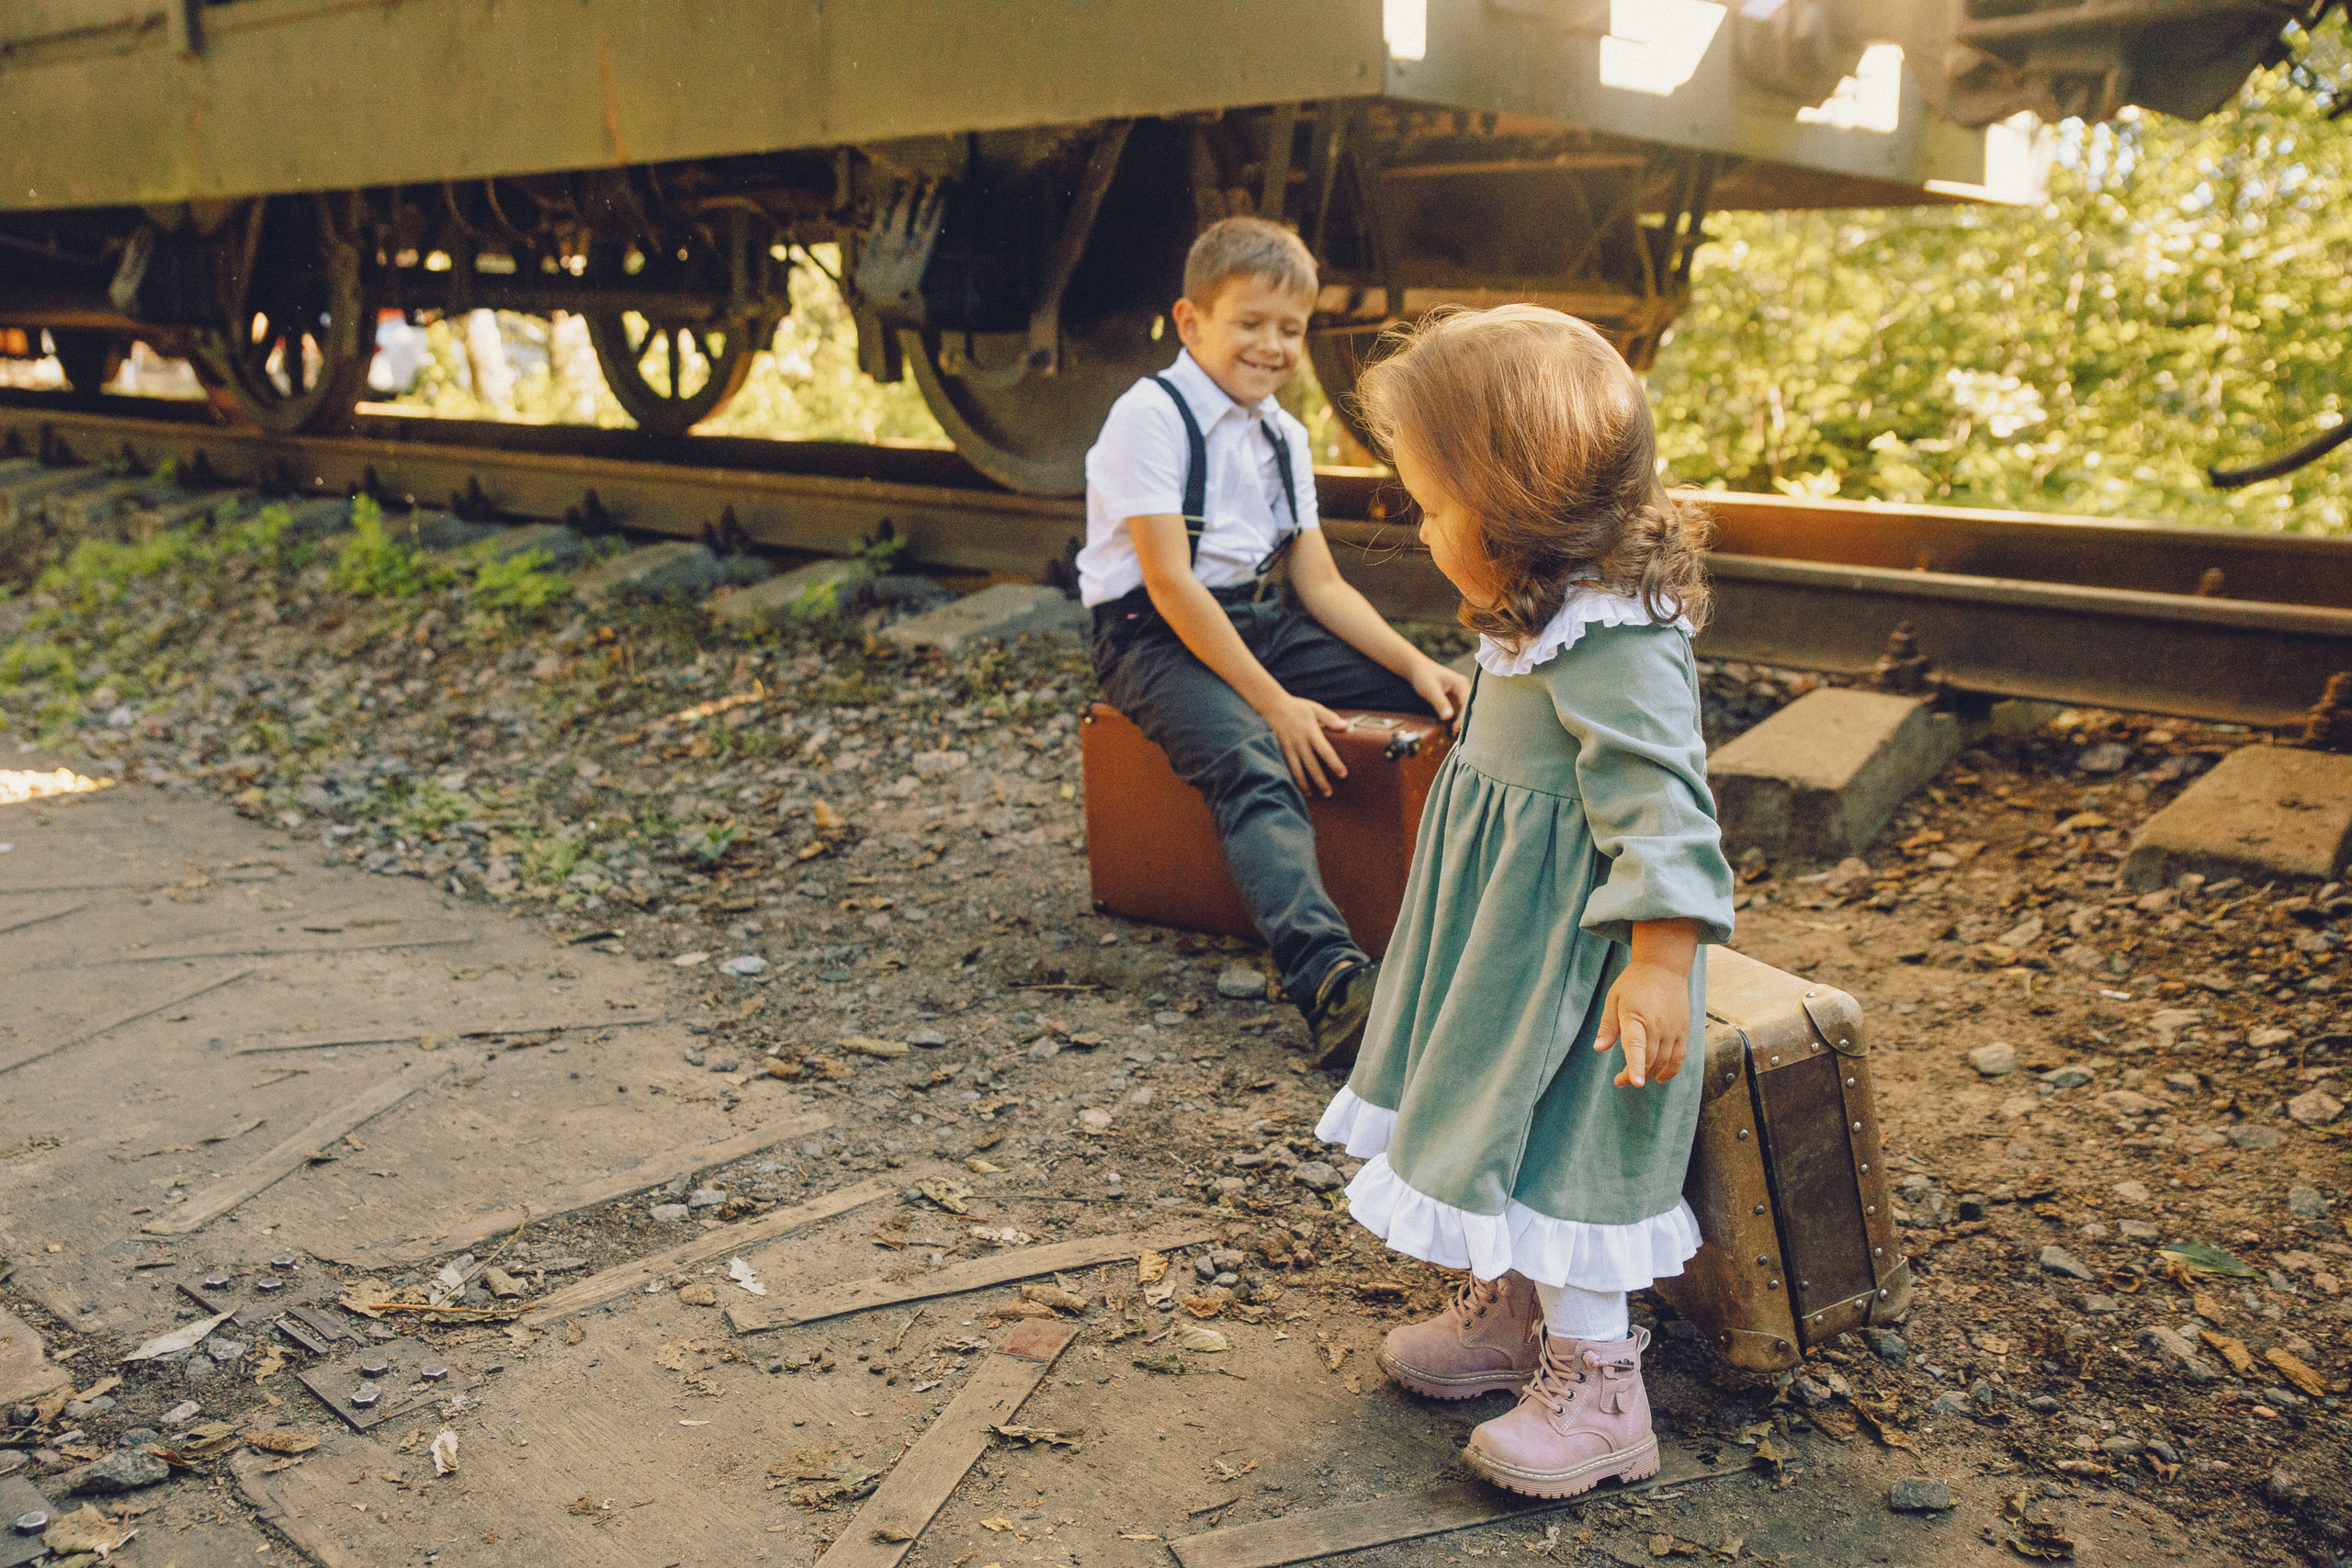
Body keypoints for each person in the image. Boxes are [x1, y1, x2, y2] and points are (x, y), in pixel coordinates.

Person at [1313, 304, 1736, 1500]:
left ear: (1519, 507)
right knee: (1491, 1114)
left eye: (1433, 505)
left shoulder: (1616, 637)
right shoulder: (1539, 612)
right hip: (1505, 948)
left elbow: (1669, 812)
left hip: (1581, 972)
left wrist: (1658, 963)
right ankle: (1508, 1318)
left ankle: (1601, 1390)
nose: (1422, 526)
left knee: (1564, 1152)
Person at [1082, 217, 1470, 1066]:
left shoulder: (1281, 434)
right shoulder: (1150, 417)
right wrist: (1278, 704)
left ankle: (1484, 915)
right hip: (1154, 635)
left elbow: (1319, 583)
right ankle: (1331, 980)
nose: (1273, 347)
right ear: (1191, 323)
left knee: (1447, 703)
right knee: (1253, 756)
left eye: (1290, 329)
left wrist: (1416, 665)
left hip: (1259, 619)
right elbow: (1171, 584)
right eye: (1249, 323)